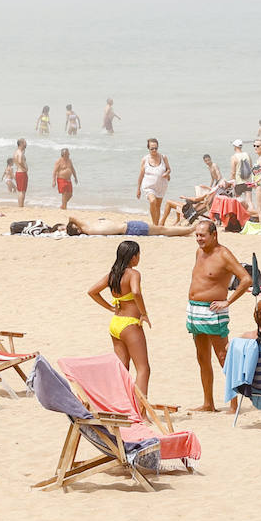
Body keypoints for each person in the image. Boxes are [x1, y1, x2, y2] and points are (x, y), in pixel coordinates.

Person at [187, 220, 252, 411]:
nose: (199, 239)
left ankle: (234, 404)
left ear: (214, 235)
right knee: (202, 357)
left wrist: (228, 301)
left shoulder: (224, 254)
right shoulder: (199, 252)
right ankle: (208, 403)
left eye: (202, 235)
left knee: (223, 356)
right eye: (197, 235)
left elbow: (246, 279)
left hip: (214, 311)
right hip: (195, 310)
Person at [87, 241, 153, 393]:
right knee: (143, 369)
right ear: (133, 257)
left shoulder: (113, 274)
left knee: (122, 367)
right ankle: (141, 413)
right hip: (130, 324)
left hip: (116, 323)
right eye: (138, 254)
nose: (139, 258)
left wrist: (110, 307)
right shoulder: (133, 274)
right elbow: (136, 292)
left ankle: (121, 407)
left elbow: (92, 291)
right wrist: (144, 314)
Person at [137, 138, 171, 225]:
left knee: (158, 206)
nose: (154, 150)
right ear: (148, 148)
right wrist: (138, 189)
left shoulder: (163, 157)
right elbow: (141, 175)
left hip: (161, 186)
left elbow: (169, 169)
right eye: (152, 148)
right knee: (152, 201)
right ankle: (154, 224)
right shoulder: (145, 159)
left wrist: (166, 173)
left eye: (156, 148)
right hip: (149, 186)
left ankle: (156, 225)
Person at [65, 215, 196, 237]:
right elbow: (72, 217)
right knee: (162, 230)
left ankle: (187, 230)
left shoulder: (89, 229)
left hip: (129, 228)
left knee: (162, 230)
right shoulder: (87, 228)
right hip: (130, 228)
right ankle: (189, 229)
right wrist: (68, 224)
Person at [12, 138, 29, 208]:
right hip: (22, 173)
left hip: (18, 172)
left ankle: (20, 205)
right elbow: (19, 161)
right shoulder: (20, 153)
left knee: (20, 191)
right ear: (21, 143)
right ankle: (21, 206)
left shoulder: (16, 152)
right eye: (25, 142)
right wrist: (24, 168)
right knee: (22, 191)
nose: (26, 144)